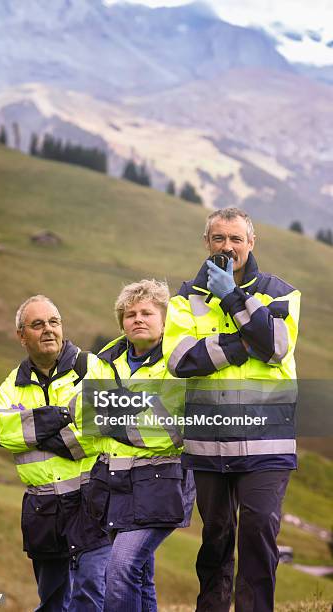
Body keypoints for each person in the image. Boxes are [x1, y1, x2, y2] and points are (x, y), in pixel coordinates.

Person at [163, 208, 301, 612]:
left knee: (258, 532)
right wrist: (243, 342)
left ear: (251, 243)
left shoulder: (280, 292)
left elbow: (275, 346)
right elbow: (179, 360)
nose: (228, 247)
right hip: (208, 444)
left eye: (236, 239)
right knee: (216, 538)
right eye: (219, 238)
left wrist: (231, 297)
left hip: (266, 441)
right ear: (207, 243)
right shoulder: (183, 299)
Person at [0, 295, 111, 612]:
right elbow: (2, 430)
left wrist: (35, 431)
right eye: (37, 324)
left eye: (53, 322)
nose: (48, 330)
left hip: (91, 500)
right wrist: (52, 419)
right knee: (53, 600)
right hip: (43, 509)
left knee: (91, 590)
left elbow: (100, 431)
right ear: (21, 335)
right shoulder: (12, 384)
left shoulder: (91, 368)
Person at [77, 279, 195, 612]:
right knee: (140, 576)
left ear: (163, 318)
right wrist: (140, 407)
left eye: (146, 312)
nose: (137, 319)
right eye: (130, 314)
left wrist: (111, 409)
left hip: (161, 483)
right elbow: (86, 420)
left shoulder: (178, 361)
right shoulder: (103, 360)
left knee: (121, 568)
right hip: (113, 484)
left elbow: (167, 430)